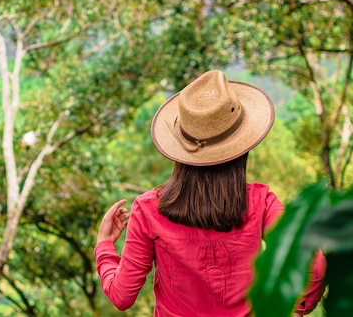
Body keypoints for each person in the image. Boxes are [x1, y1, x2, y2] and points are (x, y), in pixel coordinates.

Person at [94, 70, 326, 316]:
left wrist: (105, 245)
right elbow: (314, 263)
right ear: (241, 147)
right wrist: (298, 305)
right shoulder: (262, 202)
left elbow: (122, 296)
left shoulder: (148, 209)